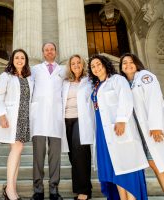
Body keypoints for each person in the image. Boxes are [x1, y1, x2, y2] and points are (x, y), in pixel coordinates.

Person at [119, 53, 164, 200]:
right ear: (121, 67)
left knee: (163, 166)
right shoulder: (126, 83)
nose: (128, 65)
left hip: (154, 129)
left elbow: (154, 100)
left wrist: (156, 126)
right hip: (142, 131)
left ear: (137, 63)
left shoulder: (145, 76)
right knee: (155, 164)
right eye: (124, 63)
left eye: (131, 62)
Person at [88, 54, 149, 200]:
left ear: (105, 64)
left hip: (119, 129)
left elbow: (126, 99)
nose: (96, 68)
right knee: (115, 170)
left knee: (127, 168)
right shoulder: (97, 86)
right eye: (92, 66)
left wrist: (121, 120)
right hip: (103, 133)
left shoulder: (117, 80)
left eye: (98, 64)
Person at [30, 42, 68, 200]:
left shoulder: (63, 70)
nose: (49, 51)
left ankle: (54, 188)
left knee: (55, 155)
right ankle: (38, 189)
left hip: (56, 117)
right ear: (43, 52)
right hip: (38, 116)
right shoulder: (35, 70)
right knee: (38, 155)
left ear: (56, 52)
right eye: (47, 49)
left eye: (52, 49)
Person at [0, 49, 33, 200]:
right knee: (17, 148)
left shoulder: (28, 78)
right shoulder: (6, 76)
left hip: (24, 117)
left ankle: (12, 188)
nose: (19, 60)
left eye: (22, 58)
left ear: (25, 61)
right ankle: (10, 189)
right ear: (12, 60)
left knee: (18, 149)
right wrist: (1, 115)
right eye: (17, 57)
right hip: (11, 117)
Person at [62, 55, 93, 200]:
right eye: (72, 63)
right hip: (65, 120)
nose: (75, 65)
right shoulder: (64, 82)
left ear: (83, 64)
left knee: (80, 154)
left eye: (78, 62)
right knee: (73, 156)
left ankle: (84, 192)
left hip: (81, 120)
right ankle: (84, 187)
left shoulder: (89, 81)